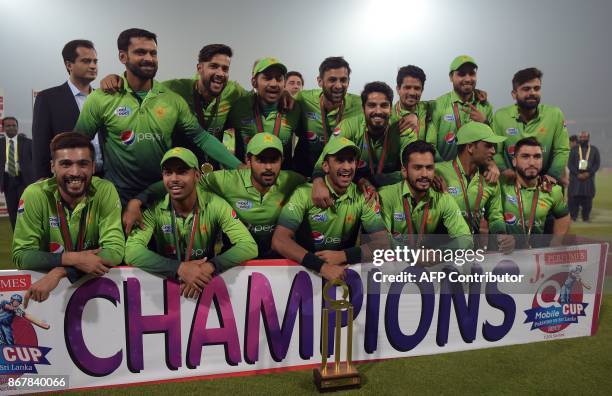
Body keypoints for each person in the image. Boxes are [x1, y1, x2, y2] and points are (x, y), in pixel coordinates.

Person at [73, 28, 241, 228]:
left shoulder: (171, 99)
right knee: (120, 256)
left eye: (153, 53)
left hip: (161, 194)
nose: (149, 58)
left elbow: (201, 137)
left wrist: (239, 167)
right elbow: (79, 144)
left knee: (164, 252)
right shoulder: (101, 98)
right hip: (118, 197)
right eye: (140, 52)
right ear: (122, 56)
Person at [125, 147, 257, 298]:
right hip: (166, 287)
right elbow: (131, 252)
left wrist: (210, 267)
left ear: (197, 175)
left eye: (182, 172)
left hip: (205, 284)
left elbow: (249, 246)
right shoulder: (154, 209)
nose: (174, 178)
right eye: (168, 173)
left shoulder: (215, 204)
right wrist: (180, 269)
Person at [12, 132, 124, 305]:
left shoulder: (105, 190)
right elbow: (21, 256)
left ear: (93, 167)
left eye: (83, 164)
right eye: (65, 164)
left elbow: (115, 251)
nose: (75, 172)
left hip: (89, 289)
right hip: (45, 294)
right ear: (52, 167)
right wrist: (75, 259)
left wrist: (60, 271)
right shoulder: (35, 194)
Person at [272, 137, 387, 281]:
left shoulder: (363, 196)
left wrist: (343, 256)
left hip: (342, 272)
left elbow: (384, 245)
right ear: (325, 166)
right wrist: (322, 267)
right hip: (303, 271)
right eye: (340, 160)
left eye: (351, 160)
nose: (346, 167)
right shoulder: (303, 194)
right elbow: (279, 240)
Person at [200, 133, 305, 258]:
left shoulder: (292, 180)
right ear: (248, 160)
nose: (268, 167)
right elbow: (196, 184)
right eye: (261, 160)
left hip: (277, 259)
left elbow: (314, 188)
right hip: (236, 259)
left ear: (282, 160)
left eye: (274, 160)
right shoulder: (228, 180)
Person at [310, 81, 410, 208]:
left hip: (390, 190)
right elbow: (326, 158)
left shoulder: (403, 128)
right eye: (372, 105)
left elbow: (412, 169)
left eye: (384, 105)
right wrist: (318, 182)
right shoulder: (349, 126)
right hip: (356, 188)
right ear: (363, 108)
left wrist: (372, 180)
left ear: (391, 108)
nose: (378, 111)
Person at [378, 140, 473, 251]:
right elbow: (382, 241)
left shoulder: (443, 198)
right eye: (417, 168)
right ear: (404, 171)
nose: (425, 174)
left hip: (429, 261)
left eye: (429, 168)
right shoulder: (385, 196)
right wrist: (413, 255)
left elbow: (466, 239)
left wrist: (438, 253)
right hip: (395, 263)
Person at [435, 122, 515, 252]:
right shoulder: (437, 171)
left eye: (493, 147)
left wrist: (502, 235)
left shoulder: (491, 178)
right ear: (471, 147)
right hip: (438, 255)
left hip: (472, 254)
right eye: (488, 146)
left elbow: (495, 216)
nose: (493, 151)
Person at [32, 39, 103, 180]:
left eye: (95, 61)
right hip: (68, 179)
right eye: (86, 61)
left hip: (105, 178)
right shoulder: (48, 98)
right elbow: (40, 145)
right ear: (69, 64)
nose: (93, 66)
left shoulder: (102, 98)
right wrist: (43, 181)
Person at [492, 67, 569, 185]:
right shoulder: (500, 116)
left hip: (546, 187)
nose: (532, 92)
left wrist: (552, 174)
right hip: (511, 188)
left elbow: (562, 149)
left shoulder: (555, 115)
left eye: (536, 88)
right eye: (526, 89)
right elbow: (496, 151)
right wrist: (504, 170)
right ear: (514, 94)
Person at [225, 58, 301, 169]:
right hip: (247, 179)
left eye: (279, 79)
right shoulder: (239, 107)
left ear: (284, 83)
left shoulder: (294, 108)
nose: (274, 83)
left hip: (282, 180)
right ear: (254, 82)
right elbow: (214, 137)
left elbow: (307, 143)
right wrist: (235, 165)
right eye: (267, 78)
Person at [293, 56, 363, 177]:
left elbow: (387, 112)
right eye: (332, 80)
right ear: (319, 81)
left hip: (341, 175)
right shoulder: (303, 98)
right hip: (303, 172)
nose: (338, 85)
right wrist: (283, 94)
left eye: (343, 80)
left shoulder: (359, 104)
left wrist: (408, 116)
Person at [499, 137, 570, 248]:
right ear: (514, 161)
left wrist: (556, 241)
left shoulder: (552, 189)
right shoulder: (501, 187)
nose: (532, 162)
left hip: (535, 257)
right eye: (525, 156)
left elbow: (563, 216)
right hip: (503, 257)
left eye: (537, 157)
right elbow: (484, 221)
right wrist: (499, 237)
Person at [427, 55, 493, 163]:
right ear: (451, 77)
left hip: (477, 174)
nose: (467, 79)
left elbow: (494, 145)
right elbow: (430, 145)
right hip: (444, 175)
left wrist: (485, 123)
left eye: (472, 74)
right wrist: (444, 169)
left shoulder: (485, 106)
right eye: (461, 74)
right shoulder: (438, 105)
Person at [1, 117, 34, 228]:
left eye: (14, 125)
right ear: (3, 127)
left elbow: (35, 162)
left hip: (24, 181)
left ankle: (29, 236)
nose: (11, 128)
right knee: (12, 213)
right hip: (7, 181)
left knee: (25, 211)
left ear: (17, 127)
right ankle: (17, 238)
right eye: (8, 126)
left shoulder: (28, 143)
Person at [392, 65, 431, 143]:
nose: (412, 93)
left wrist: (414, 115)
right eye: (407, 87)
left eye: (417, 88)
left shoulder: (430, 108)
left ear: (422, 90)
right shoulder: (388, 116)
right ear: (398, 89)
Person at [568, 131, 600, 221]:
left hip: (588, 180)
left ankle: (586, 218)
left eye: (584, 137)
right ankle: (573, 217)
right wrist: (577, 174)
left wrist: (588, 173)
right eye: (581, 137)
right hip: (576, 179)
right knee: (574, 199)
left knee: (588, 199)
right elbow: (570, 164)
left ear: (588, 138)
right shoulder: (574, 150)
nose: (582, 139)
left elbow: (597, 164)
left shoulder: (594, 150)